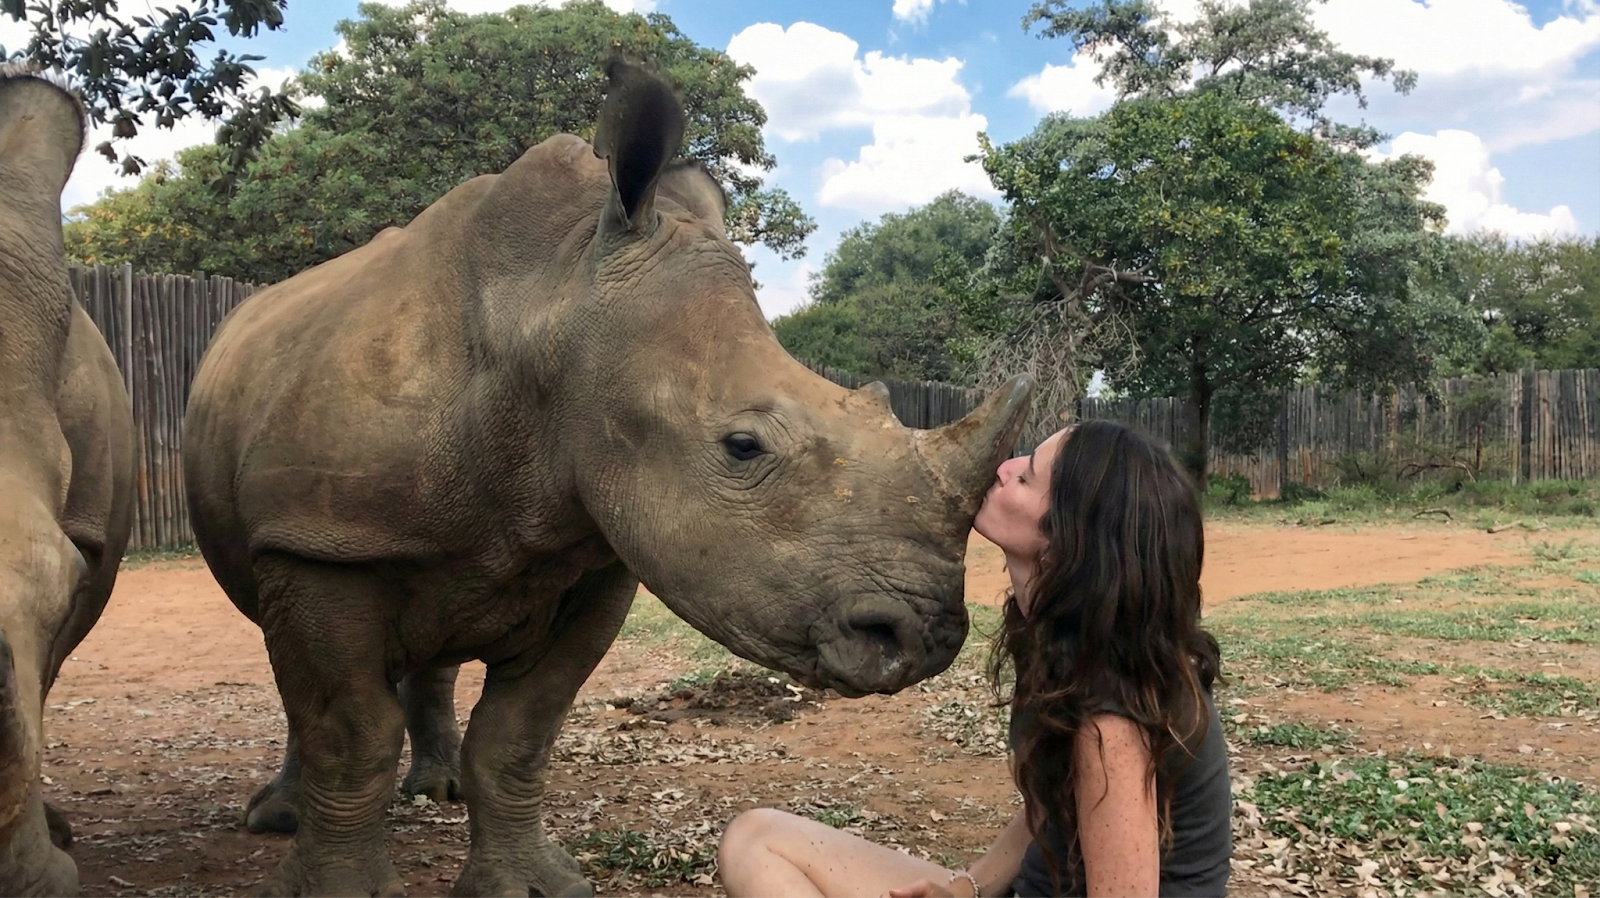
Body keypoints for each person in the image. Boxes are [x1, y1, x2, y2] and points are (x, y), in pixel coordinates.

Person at [716, 420, 1231, 898]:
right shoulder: (1074, 642)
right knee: (757, 839)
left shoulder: (1111, 725)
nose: (1005, 467)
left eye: (1026, 478)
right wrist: (968, 887)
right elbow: (1050, 805)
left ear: (1066, 538)